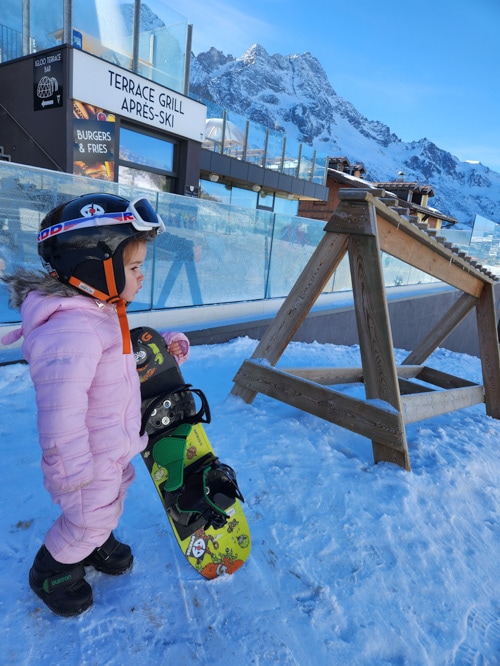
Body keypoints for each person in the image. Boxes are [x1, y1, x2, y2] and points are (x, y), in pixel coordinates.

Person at [0, 193, 190, 617]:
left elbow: (121, 370)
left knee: (108, 502)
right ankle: (53, 569)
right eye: (134, 267)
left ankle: (93, 539)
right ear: (92, 267)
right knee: (87, 516)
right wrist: (71, 471)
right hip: (82, 459)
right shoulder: (71, 331)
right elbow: (60, 414)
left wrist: (164, 356)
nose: (142, 277)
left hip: (110, 445)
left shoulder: (101, 311)